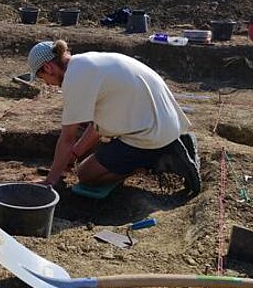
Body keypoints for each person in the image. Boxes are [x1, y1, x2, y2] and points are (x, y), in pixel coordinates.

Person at [27, 39, 201, 196]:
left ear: (48, 68)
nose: (48, 84)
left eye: (43, 78)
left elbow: (67, 138)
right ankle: (166, 145)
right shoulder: (85, 63)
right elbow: (98, 125)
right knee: (95, 145)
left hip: (149, 134)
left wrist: (50, 181)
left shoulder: (74, 79)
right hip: (165, 123)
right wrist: (75, 153)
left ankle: (159, 159)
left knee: (86, 174)